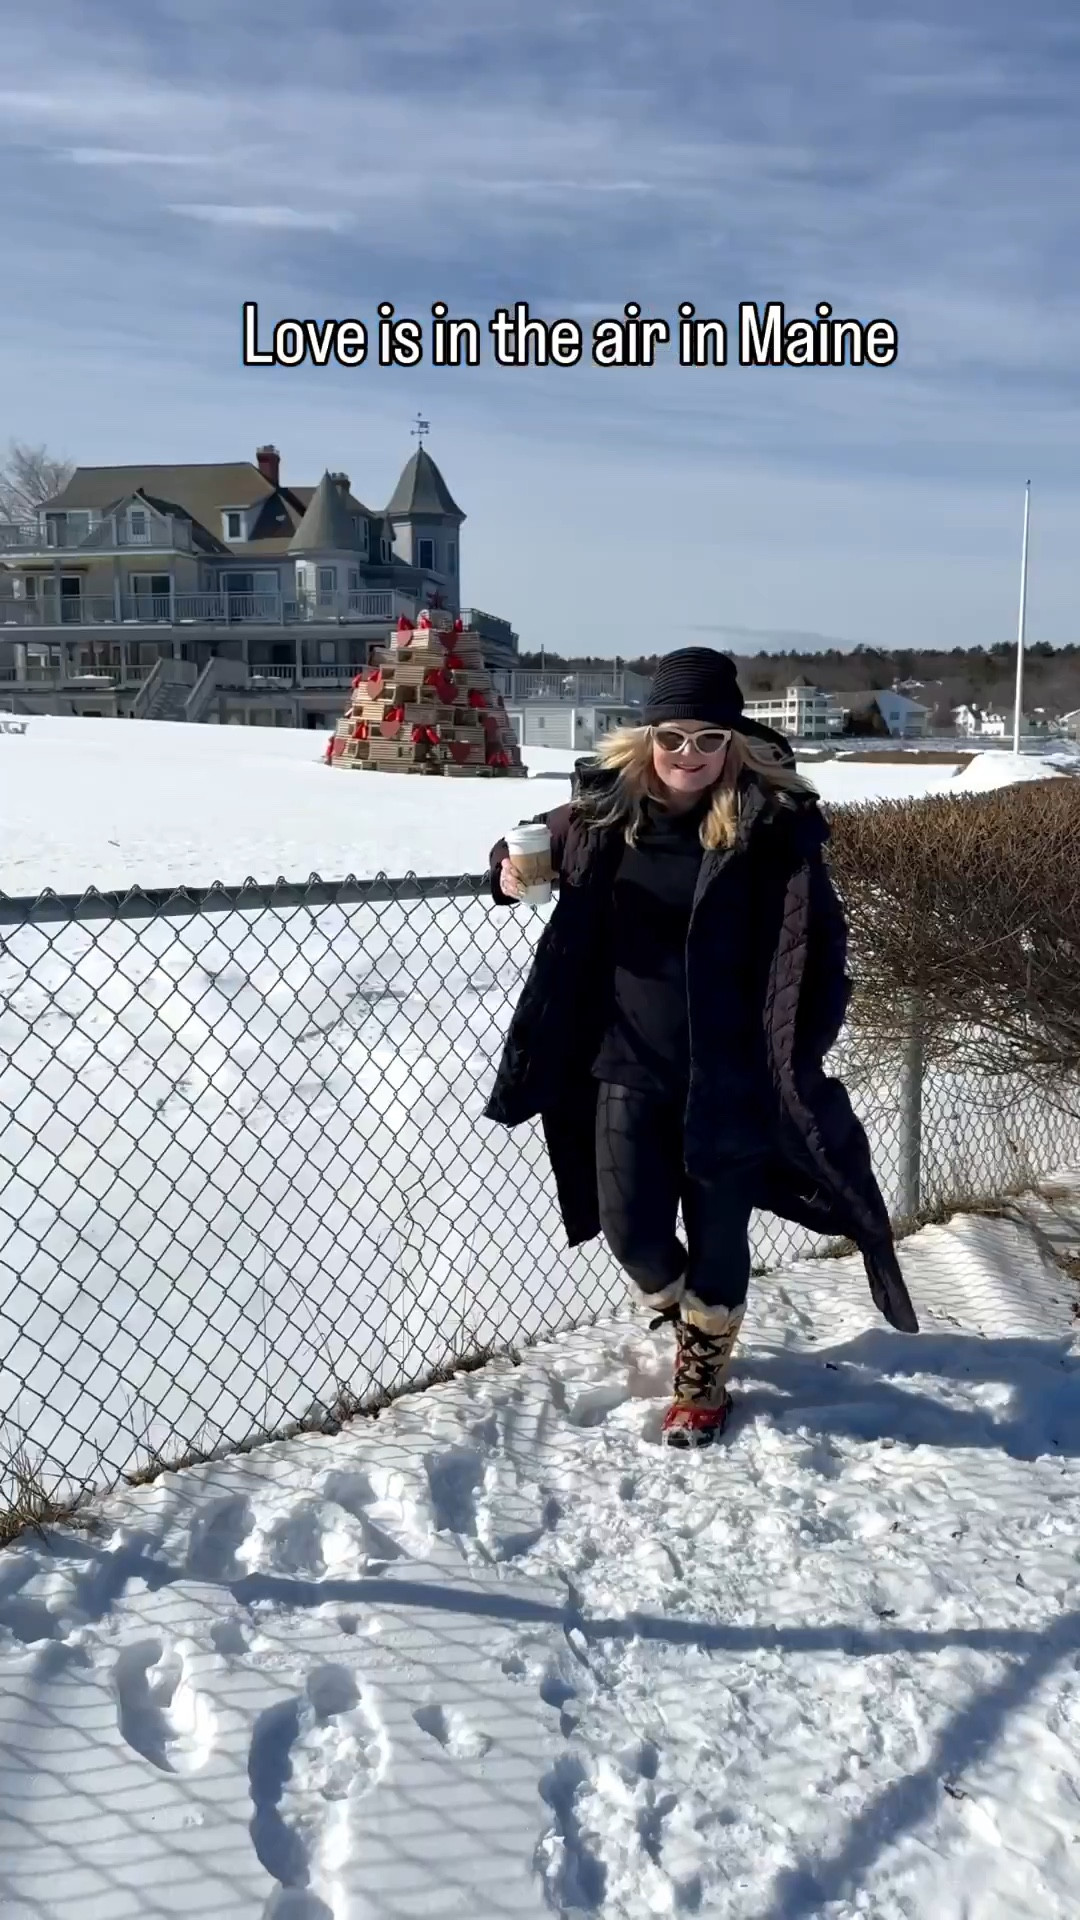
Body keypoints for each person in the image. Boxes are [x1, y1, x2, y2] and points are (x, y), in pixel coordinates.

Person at [483, 647, 918, 1450]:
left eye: (709, 739)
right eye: (674, 736)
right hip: (626, 1061)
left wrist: (797, 1048)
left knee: (720, 1231)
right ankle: (694, 1321)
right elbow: (517, 851)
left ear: (734, 743)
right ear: (647, 736)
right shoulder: (601, 814)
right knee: (631, 1232)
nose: (689, 755)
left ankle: (702, 1378)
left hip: (734, 1075)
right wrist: (507, 874)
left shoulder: (771, 828)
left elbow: (821, 952)